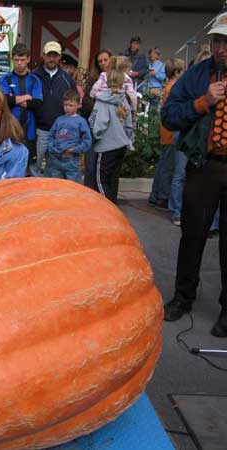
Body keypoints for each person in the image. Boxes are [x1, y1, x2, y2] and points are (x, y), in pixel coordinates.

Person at [160, 8, 227, 337]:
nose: (219, 49)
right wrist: (201, 103)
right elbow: (169, 116)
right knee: (193, 235)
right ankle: (183, 297)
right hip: (206, 166)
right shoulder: (198, 74)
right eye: (216, 41)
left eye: (226, 42)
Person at [32, 41, 77, 176]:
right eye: (49, 55)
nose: (52, 59)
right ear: (44, 56)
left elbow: (74, 102)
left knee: (55, 168)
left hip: (60, 132)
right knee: (35, 165)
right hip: (39, 130)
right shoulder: (34, 76)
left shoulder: (67, 78)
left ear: (59, 57)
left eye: (55, 55)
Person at [88, 69, 133, 203]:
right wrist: (127, 138)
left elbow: (98, 124)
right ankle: (112, 204)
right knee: (113, 178)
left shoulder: (102, 101)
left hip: (106, 145)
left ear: (107, 82)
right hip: (121, 144)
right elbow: (129, 124)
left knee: (100, 179)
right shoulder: (124, 100)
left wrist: (94, 136)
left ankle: (106, 206)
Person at [0, 43, 43, 172]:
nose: (19, 63)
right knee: (8, 167)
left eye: (22, 60)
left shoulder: (35, 80)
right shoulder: (5, 79)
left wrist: (14, 99)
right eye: (16, 60)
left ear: (28, 59)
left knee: (28, 169)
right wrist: (27, 97)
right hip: (9, 130)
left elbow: (38, 103)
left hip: (29, 131)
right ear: (12, 59)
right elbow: (4, 100)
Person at [149, 58, 184, 212]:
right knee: (168, 166)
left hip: (166, 130)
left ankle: (156, 195)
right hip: (171, 131)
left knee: (163, 163)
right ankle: (163, 196)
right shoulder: (174, 86)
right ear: (177, 72)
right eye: (182, 71)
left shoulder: (168, 85)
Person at [45, 89, 91, 182]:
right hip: (56, 159)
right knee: (57, 184)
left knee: (73, 186)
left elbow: (87, 140)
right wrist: (53, 148)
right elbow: (51, 136)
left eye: (71, 105)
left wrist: (75, 149)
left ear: (78, 105)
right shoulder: (59, 120)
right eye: (65, 105)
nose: (68, 108)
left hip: (72, 159)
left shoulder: (81, 121)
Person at [82, 49, 112, 190]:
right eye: (100, 61)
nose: (103, 63)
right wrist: (103, 106)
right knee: (91, 162)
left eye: (105, 60)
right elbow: (86, 102)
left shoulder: (120, 78)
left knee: (107, 165)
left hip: (112, 127)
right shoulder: (93, 79)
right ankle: (89, 192)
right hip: (94, 124)